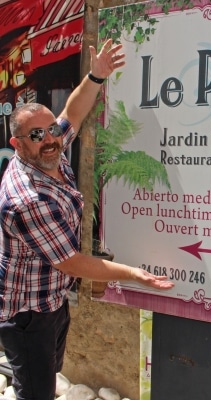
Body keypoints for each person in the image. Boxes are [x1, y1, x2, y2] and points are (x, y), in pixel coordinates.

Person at [0, 39, 174, 400]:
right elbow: (73, 262)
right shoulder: (27, 199)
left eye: (50, 129)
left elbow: (72, 114)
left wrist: (95, 76)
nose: (50, 138)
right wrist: (133, 274)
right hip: (27, 313)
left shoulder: (48, 149)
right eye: (37, 134)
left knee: (47, 373)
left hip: (51, 298)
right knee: (36, 391)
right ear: (17, 144)